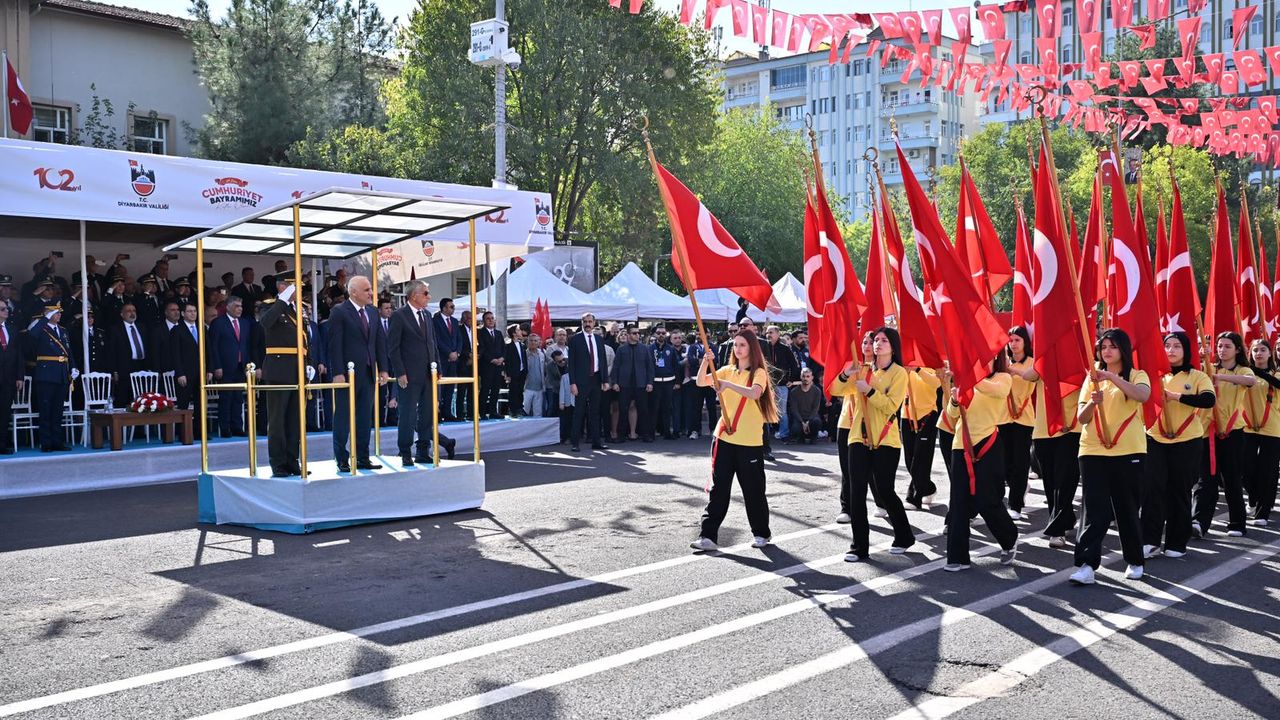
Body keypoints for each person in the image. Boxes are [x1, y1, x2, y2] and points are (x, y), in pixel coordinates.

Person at [1070, 328, 1151, 585]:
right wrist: (1093, 401)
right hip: (1093, 449)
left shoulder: (1137, 374)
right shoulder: (1091, 378)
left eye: (1113, 346)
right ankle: (1086, 564)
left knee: (1127, 507)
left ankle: (1135, 560)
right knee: (1095, 509)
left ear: (1123, 350)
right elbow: (1081, 418)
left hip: (1128, 450)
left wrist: (1111, 378)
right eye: (1103, 346)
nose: (1107, 351)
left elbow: (1142, 395)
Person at [831, 327, 915, 562]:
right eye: (875, 340)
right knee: (857, 492)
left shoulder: (899, 373)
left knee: (885, 491)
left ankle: (905, 535)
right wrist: (846, 374)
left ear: (893, 346)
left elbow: (890, 406)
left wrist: (869, 391)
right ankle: (859, 547)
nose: (877, 344)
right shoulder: (863, 370)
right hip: (857, 437)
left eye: (883, 340)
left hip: (886, 441)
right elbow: (835, 389)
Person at [691, 328, 779, 551]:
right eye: (735, 344)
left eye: (742, 345)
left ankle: (761, 533)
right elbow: (701, 382)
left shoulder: (758, 372)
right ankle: (708, 535)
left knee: (753, 489)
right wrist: (705, 361)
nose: (738, 349)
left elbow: (755, 393)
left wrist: (728, 385)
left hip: (749, 440)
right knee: (719, 488)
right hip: (723, 437)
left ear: (751, 348)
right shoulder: (726, 369)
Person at [942, 351, 1019, 572]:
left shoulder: (1003, 379)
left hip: (988, 442)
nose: (984, 361)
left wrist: (967, 379)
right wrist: (955, 399)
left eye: (988, 357)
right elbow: (952, 414)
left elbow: (995, 391)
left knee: (988, 500)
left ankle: (1009, 537)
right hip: (961, 443)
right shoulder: (968, 382)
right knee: (958, 502)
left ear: (997, 359)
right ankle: (957, 557)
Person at [1143, 332, 1214, 559]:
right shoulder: (1153, 375)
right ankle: (1150, 540)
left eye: (1177, 346)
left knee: (1179, 490)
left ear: (1186, 350)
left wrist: (1177, 397)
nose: (1171, 350)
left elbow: (1208, 400)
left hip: (1187, 441)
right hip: (1155, 437)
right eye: (1167, 345)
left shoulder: (1197, 376)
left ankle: (1176, 541)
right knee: (1153, 489)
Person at [1193, 331, 1256, 538]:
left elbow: (1250, 381)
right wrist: (1202, 360)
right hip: (1208, 432)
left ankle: (1237, 523)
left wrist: (1219, 377)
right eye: (1219, 346)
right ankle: (1199, 522)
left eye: (1227, 346)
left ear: (1237, 349)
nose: (1222, 350)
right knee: (1206, 480)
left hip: (1232, 433)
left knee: (1231, 479)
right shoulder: (1208, 368)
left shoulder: (1242, 369)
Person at [388, 280, 456, 466]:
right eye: (425, 293)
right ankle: (405, 452)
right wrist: (400, 372)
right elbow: (393, 348)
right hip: (409, 376)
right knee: (408, 415)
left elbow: (432, 344)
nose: (429, 296)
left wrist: (438, 370)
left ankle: (423, 450)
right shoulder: (399, 316)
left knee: (427, 414)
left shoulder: (427, 315)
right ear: (414, 296)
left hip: (428, 374)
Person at [327, 275, 390, 472]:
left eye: (371, 289)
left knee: (364, 418)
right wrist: (338, 372)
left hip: (369, 373)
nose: (371, 293)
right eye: (367, 290)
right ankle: (342, 457)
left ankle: (362, 456)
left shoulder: (372, 311)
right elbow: (335, 344)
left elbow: (379, 342)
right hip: (348, 374)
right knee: (344, 417)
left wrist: (384, 369)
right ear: (353, 292)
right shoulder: (339, 311)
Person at [259, 274, 309, 477]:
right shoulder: (270, 306)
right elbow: (266, 322)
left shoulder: (299, 309)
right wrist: (282, 300)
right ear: (283, 287)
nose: (300, 292)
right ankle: (278, 462)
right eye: (295, 287)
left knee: (294, 419)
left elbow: (305, 339)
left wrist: (309, 363)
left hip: (297, 370)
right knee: (277, 420)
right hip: (279, 370)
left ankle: (292, 460)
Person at [833, 331, 873, 524]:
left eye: (871, 342)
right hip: (847, 423)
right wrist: (845, 374)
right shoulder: (853, 366)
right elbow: (836, 389)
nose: (867, 346)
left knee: (871, 470)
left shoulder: (880, 370)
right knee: (847, 469)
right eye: (864, 342)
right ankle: (846, 507)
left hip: (870, 424)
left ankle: (882, 502)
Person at [1243, 338, 1280, 527]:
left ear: (1270, 353)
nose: (1258, 353)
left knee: (1268, 471)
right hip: (1246, 426)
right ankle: (1254, 497)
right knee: (1245, 468)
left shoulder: (1277, 373)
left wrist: (1259, 373)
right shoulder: (1244, 373)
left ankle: (1263, 512)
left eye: (1263, 350)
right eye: (1255, 350)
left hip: (1272, 428)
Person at [28, 304, 74, 452]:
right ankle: (46, 442)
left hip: (61, 374)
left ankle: (57, 441)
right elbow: (32, 335)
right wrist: (44, 318)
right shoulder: (41, 328)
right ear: (47, 314)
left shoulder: (63, 330)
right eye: (55, 312)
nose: (59, 314)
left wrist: (73, 366)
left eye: (59, 312)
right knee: (46, 409)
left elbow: (68, 351)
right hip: (46, 374)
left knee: (57, 410)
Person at [1002, 326, 1036, 520]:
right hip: (1002, 417)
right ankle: (1020, 485)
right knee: (1005, 462)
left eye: (1017, 340)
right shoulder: (1003, 361)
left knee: (1020, 462)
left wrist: (1011, 370)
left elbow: (1034, 376)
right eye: (1011, 340)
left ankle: (1015, 503)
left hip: (1024, 418)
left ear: (1025, 342)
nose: (1013, 344)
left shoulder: (1032, 362)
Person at [207, 296, 252, 438]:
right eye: (237, 306)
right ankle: (225, 427)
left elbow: (246, 345)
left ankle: (237, 426)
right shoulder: (218, 323)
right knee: (226, 397)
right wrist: (217, 366)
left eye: (241, 306)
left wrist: (248, 364)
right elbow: (213, 346)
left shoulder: (244, 323)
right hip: (225, 366)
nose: (240, 309)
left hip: (241, 366)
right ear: (228, 307)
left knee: (238, 397)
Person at [567, 312, 610, 452]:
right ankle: (575, 443)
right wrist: (572, 383)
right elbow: (571, 364)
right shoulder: (574, 340)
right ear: (582, 322)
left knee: (595, 412)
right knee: (579, 412)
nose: (587, 324)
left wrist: (605, 380)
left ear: (594, 323)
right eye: (585, 321)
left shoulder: (599, 339)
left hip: (596, 380)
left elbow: (602, 360)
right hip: (580, 382)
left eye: (590, 321)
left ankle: (596, 442)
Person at [902, 365, 943, 511]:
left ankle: (914, 497)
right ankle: (929, 488)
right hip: (906, 414)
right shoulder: (905, 364)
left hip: (927, 414)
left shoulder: (933, 364)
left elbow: (936, 383)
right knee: (909, 459)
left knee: (920, 459)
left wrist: (917, 369)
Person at [612, 325, 654, 442]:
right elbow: (616, 367)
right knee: (623, 410)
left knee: (643, 410)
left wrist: (650, 382)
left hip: (641, 384)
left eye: (638, 333)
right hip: (624, 384)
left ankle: (645, 435)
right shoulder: (621, 349)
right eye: (634, 333)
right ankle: (621, 436)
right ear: (629, 335)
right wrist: (614, 382)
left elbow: (650, 367)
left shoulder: (645, 348)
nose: (637, 335)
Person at [107, 303, 152, 408]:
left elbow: (148, 348)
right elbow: (112, 351)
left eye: (134, 311)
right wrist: (114, 370)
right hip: (125, 367)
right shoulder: (116, 329)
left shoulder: (142, 327)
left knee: (142, 397)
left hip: (141, 366)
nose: (132, 313)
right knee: (124, 398)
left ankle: (140, 424)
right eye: (129, 311)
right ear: (122, 314)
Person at [762, 325, 799, 445]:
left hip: (782, 384)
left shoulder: (785, 349)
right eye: (767, 332)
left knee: (782, 412)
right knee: (765, 410)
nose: (768, 335)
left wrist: (791, 380)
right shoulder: (763, 347)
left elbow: (794, 365)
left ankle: (784, 434)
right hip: (765, 385)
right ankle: (765, 436)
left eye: (771, 332)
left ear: (778, 334)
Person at [433, 297, 463, 421]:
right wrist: (448, 353)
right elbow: (436, 340)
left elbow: (459, 339)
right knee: (439, 387)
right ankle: (437, 413)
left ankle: (447, 412)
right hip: (441, 359)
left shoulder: (455, 322)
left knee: (450, 387)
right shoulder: (435, 321)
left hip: (453, 360)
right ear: (444, 308)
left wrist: (457, 353)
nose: (453, 309)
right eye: (451, 307)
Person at [684, 332, 718, 439]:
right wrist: (704, 361)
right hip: (695, 381)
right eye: (697, 333)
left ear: (708, 334)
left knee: (711, 406)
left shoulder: (713, 347)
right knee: (696, 407)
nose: (699, 335)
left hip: (709, 381)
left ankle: (713, 429)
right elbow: (691, 360)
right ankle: (695, 430)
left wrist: (702, 361)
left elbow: (715, 360)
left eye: (702, 333)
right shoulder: (692, 347)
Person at [172, 304, 203, 417]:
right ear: (183, 314)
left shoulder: (201, 328)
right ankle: (183, 433)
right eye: (189, 311)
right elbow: (175, 353)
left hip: (200, 372)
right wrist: (180, 373)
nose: (193, 313)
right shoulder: (177, 330)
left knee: (200, 403)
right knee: (183, 403)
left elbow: (208, 350)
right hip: (185, 373)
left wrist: (209, 369)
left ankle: (199, 432)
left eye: (195, 311)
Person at [651, 325, 680, 439]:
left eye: (663, 333)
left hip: (668, 382)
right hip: (655, 382)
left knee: (667, 408)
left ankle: (667, 433)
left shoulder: (671, 349)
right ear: (655, 334)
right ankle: (651, 433)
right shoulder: (650, 349)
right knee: (654, 408)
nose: (661, 335)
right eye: (658, 333)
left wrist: (677, 382)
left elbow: (676, 366)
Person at [477, 311, 505, 419]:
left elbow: (503, 348)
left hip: (498, 366)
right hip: (487, 366)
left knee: (495, 389)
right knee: (485, 389)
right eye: (488, 318)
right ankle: (482, 412)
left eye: (492, 318)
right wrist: (492, 359)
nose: (491, 320)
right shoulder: (480, 332)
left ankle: (493, 411)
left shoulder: (498, 333)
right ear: (484, 321)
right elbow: (482, 348)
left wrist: (502, 358)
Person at [0, 301, 20, 454]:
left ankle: (2, 443)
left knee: (5, 411)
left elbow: (19, 355)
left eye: (6, 308)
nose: (6, 311)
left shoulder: (12, 330)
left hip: (8, 378)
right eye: (2, 309)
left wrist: (19, 376)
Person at [786, 367, 824, 443]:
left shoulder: (817, 391)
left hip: (812, 417)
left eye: (808, 376)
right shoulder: (794, 392)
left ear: (812, 378)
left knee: (816, 422)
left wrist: (808, 422)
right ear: (800, 377)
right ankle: (800, 437)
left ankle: (813, 436)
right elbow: (794, 409)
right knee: (795, 428)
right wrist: (802, 422)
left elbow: (815, 409)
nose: (805, 378)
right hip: (800, 417)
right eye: (803, 376)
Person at [502, 323, 529, 418]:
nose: (520, 332)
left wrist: (525, 370)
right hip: (513, 372)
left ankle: (519, 408)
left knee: (520, 391)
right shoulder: (508, 345)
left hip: (522, 371)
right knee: (513, 391)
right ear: (513, 333)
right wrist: (507, 374)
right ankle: (512, 409)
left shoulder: (522, 345)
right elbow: (506, 361)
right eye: (518, 330)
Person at [522, 334, 545, 417]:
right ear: (528, 342)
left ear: (539, 342)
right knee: (524, 411)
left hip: (539, 388)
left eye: (535, 341)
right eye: (531, 340)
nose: (533, 342)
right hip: (527, 388)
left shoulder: (542, 354)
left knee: (538, 413)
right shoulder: (524, 354)